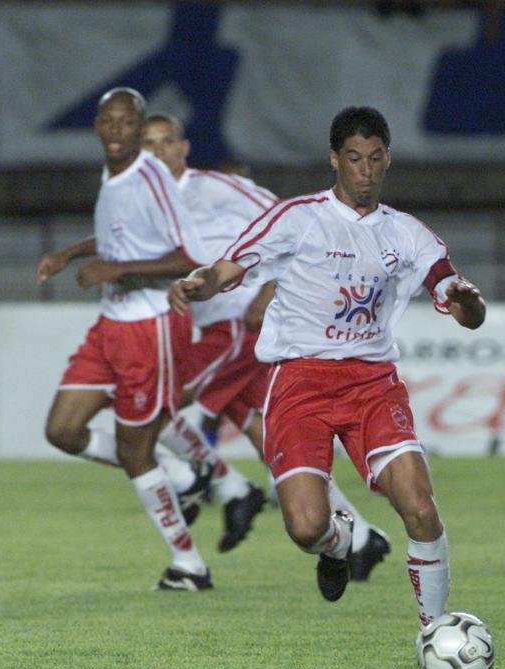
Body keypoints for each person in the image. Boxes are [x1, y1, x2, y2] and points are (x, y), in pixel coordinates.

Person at [169, 107, 486, 626]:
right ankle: (338, 545)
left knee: (421, 508)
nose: (366, 170)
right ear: (335, 159)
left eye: (375, 159)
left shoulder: (407, 234)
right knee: (305, 527)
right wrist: (197, 284)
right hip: (300, 381)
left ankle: (434, 629)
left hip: (372, 384)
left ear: (388, 160)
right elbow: (227, 268)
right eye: (355, 158)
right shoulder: (298, 218)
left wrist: (468, 303)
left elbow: (460, 300)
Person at [142, 114, 391, 578]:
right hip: (212, 327)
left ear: (183, 147)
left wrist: (268, 290)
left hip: (240, 323)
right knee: (269, 437)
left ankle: (220, 485)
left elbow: (297, 223)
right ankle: (361, 536)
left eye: (166, 141)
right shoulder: (148, 205)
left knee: (154, 404)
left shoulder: (215, 187)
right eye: (148, 145)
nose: (158, 153)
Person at [36, 87, 215, 590]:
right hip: (111, 324)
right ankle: (182, 476)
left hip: (149, 328)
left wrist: (115, 269)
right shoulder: (112, 173)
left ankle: (189, 566)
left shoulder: (153, 179)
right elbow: (121, 235)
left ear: (139, 128)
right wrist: (69, 255)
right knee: (62, 431)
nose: (116, 131)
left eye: (126, 122)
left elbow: (190, 258)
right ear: (98, 125)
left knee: (136, 453)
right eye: (107, 121)